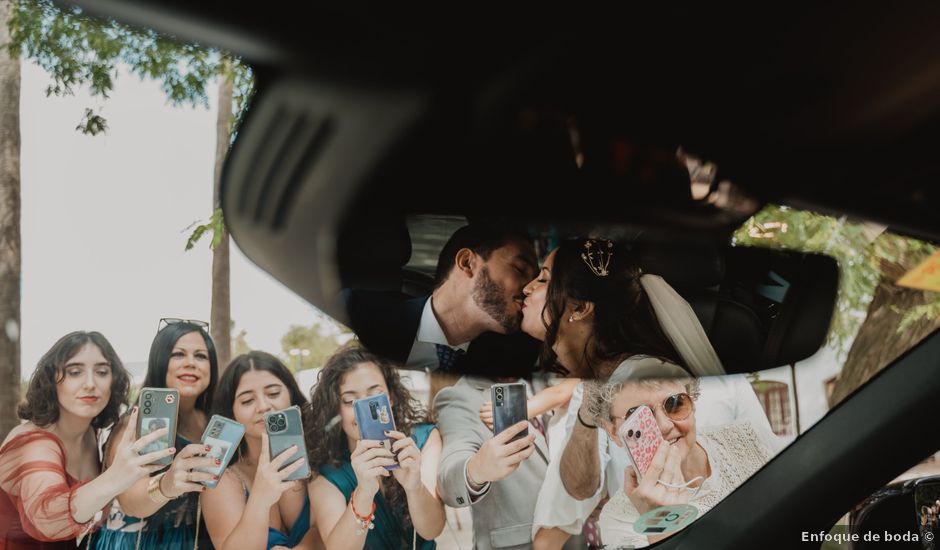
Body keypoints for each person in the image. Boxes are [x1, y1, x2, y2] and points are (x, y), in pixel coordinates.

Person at [518, 237, 777, 549]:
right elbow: (576, 489)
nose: (526, 287)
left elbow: (697, 501)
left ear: (580, 308)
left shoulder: (649, 381)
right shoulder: (594, 387)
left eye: (544, 278)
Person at [0, 331, 173, 549]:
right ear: (51, 380)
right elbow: (47, 519)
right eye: (74, 372)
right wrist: (114, 478)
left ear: (113, 381)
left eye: (102, 372)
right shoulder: (34, 444)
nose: (90, 383)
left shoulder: (93, 434)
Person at [594, 364, 776, 547]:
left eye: (675, 404)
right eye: (641, 417)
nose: (664, 426)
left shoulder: (749, 437)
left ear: (692, 403)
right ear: (614, 432)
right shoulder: (618, 520)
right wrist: (660, 524)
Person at [341, 222, 541, 380]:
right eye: (520, 270)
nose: (529, 288)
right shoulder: (354, 314)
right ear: (466, 262)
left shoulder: (516, 356)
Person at [94, 319, 220, 550]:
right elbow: (131, 503)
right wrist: (167, 483)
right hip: (139, 543)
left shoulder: (215, 422)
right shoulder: (136, 422)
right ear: (160, 361)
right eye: (178, 354)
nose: (191, 363)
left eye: (201, 356)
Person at [306, 345, 444, 550]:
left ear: (391, 398)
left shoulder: (423, 439)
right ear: (337, 408)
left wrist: (414, 487)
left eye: (376, 396)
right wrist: (364, 492)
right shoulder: (325, 472)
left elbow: (432, 530)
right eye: (350, 400)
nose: (365, 411)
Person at [201, 351, 322, 550]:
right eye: (247, 400)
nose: (264, 406)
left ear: (291, 394)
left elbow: (329, 532)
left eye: (274, 393)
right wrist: (260, 497)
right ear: (232, 412)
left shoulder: (318, 455)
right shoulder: (222, 478)